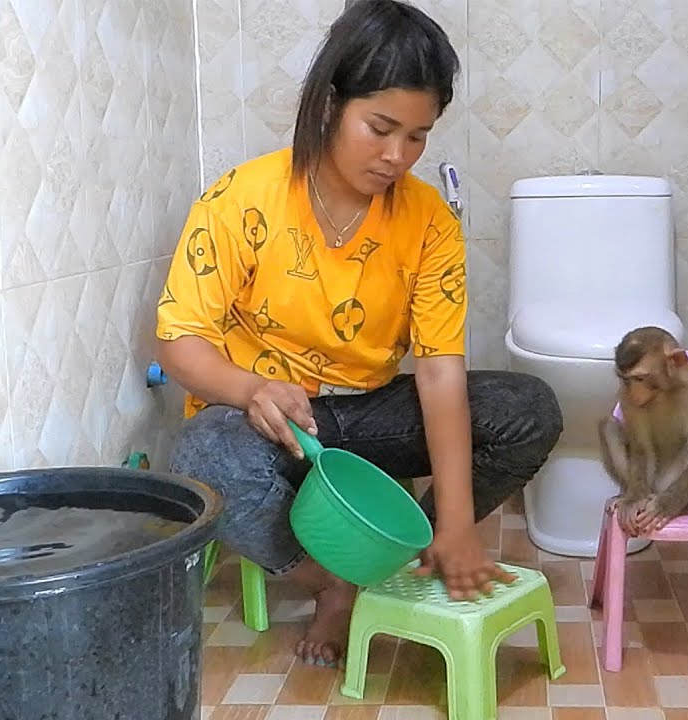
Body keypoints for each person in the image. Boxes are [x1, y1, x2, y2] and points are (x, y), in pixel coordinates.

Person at [154, 0, 564, 667]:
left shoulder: (429, 222)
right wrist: (252, 389)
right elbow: (179, 340)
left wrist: (456, 522)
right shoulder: (241, 199)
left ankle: (407, 549)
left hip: (371, 412)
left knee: (527, 409)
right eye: (380, 128)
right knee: (202, 455)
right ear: (329, 105)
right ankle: (331, 582)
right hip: (278, 422)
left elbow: (439, 371)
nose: (398, 155)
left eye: (419, 136)